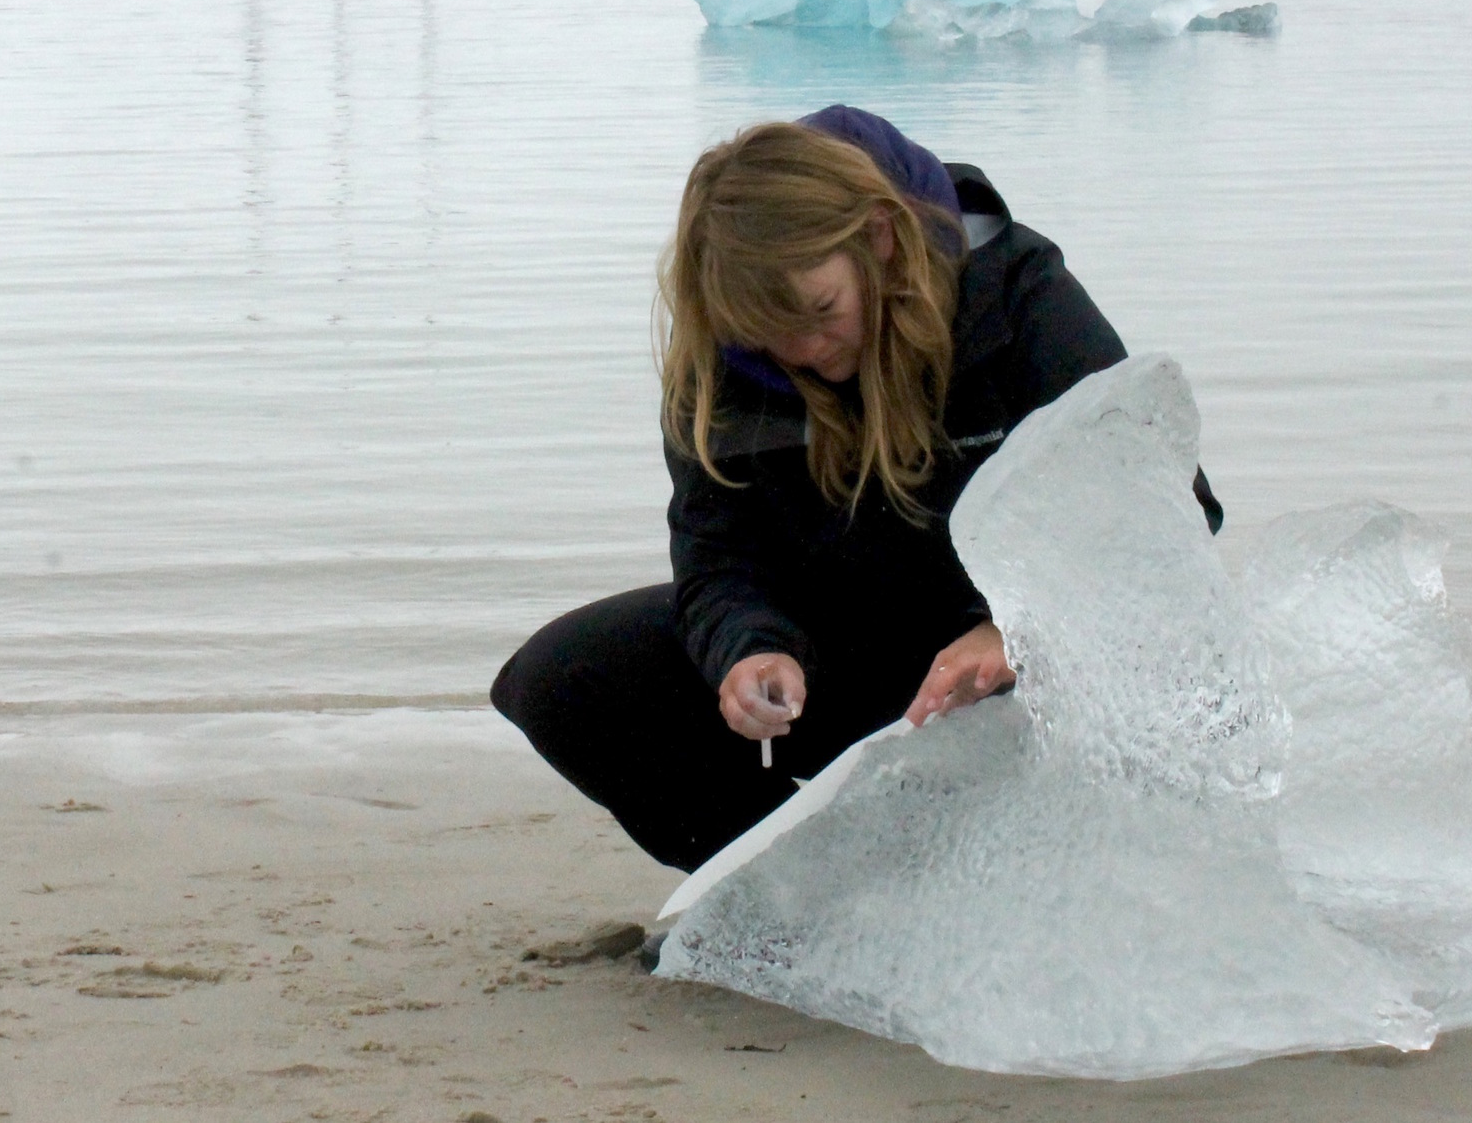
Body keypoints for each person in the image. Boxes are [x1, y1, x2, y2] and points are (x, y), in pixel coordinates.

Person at [491, 105, 1220, 873]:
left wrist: (1019, 632)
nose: (803, 353)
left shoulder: (1016, 295)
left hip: (1031, 677)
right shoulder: (724, 354)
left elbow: (1171, 507)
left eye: (820, 313)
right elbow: (718, 560)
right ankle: (802, 895)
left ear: (879, 236)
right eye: (767, 335)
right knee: (563, 677)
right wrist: (752, 652)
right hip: (859, 658)